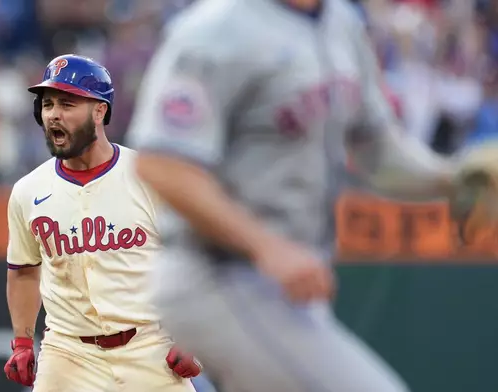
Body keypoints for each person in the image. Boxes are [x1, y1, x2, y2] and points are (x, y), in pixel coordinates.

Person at [125, 0, 457, 391]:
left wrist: (458, 180)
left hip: (286, 293)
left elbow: (378, 153)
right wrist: (267, 247)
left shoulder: (342, 23)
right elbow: (162, 164)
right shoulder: (215, 30)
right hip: (216, 276)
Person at [3, 54, 201, 392]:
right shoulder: (27, 191)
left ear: (100, 111)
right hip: (69, 352)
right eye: (48, 104)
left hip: (149, 347)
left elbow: (194, 259)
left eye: (67, 103)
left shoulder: (148, 177)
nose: (54, 114)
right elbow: (23, 269)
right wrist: (22, 341)